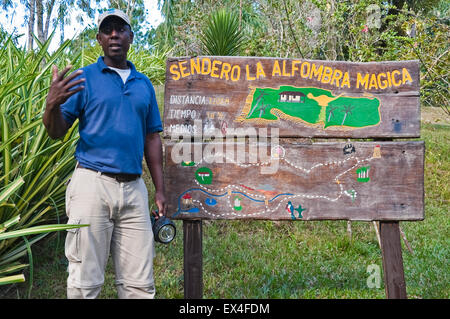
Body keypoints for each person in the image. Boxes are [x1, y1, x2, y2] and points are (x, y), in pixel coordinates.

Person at [43, 8, 167, 299]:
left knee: (140, 287)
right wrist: (51, 105)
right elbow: (56, 131)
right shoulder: (83, 79)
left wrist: (160, 190)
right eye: (108, 29)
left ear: (131, 37)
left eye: (120, 29)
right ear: (99, 38)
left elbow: (152, 138)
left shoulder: (144, 84)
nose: (114, 34)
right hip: (91, 185)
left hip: (134, 190)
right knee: (85, 285)